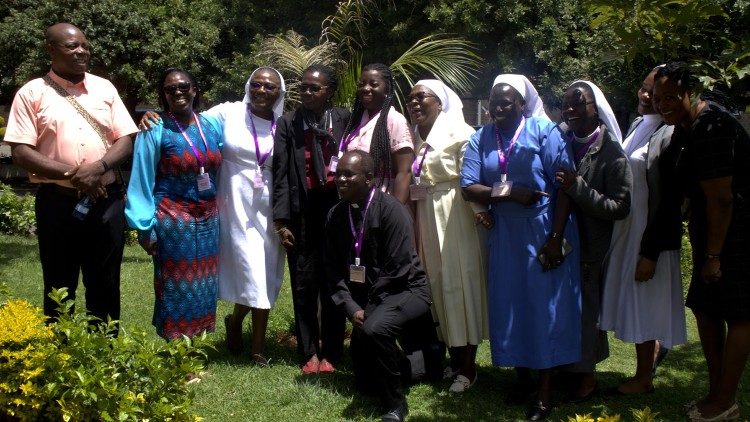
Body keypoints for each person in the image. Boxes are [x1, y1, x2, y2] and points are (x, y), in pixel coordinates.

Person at [139, 67, 286, 363]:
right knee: (236, 273)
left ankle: (232, 337)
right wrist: (146, 112)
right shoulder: (228, 114)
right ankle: (198, 345)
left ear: (280, 93)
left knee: (259, 274)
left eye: (269, 86)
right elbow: (180, 115)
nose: (261, 90)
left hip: (258, 207)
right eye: (255, 83)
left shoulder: (282, 124)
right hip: (228, 204)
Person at [461, 74, 581, 421]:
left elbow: (564, 189)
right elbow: (469, 185)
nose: (499, 105)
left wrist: (556, 239)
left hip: (543, 229)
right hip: (506, 234)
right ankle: (523, 376)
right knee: (511, 305)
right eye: (494, 99)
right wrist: (510, 192)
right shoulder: (481, 137)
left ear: (522, 103)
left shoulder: (545, 132)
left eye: (507, 100)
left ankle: (544, 390)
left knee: (542, 308)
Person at [4, 23, 137, 322]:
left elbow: (125, 139)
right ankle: (61, 356)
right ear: (51, 49)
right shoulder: (31, 93)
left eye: (85, 46)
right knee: (58, 285)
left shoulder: (105, 88)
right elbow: (22, 153)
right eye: (72, 46)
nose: (81, 51)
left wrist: (98, 169)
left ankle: (103, 356)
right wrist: (76, 175)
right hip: (57, 203)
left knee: (105, 282)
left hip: (106, 200)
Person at [652, 62, 750, 421]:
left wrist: (712, 255)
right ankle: (715, 392)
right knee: (705, 308)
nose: (663, 104)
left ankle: (725, 402)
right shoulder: (687, 127)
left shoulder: (712, 127)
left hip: (736, 232)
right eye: (658, 97)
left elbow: (721, 200)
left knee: (739, 314)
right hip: (711, 231)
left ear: (691, 92)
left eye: (671, 97)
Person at [325, 150, 431, 422]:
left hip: (406, 290)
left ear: (369, 178)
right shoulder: (336, 215)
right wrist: (351, 308)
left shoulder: (392, 210)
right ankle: (415, 366)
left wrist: (368, 310)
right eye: (339, 174)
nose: (341, 180)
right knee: (364, 385)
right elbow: (333, 270)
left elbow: (397, 270)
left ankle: (395, 404)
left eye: (349, 174)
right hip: (367, 300)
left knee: (375, 329)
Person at [599, 67, 686, 395]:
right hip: (627, 227)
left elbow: (667, 200)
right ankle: (645, 367)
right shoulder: (639, 124)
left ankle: (643, 377)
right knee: (634, 299)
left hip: (648, 231)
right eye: (644, 88)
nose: (646, 96)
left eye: (656, 92)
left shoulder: (669, 133)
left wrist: (650, 250)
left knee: (645, 299)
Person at [125, 68, 223, 340]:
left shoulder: (211, 125)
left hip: (208, 220)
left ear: (194, 89)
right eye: (170, 89)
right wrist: (144, 227)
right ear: (163, 95)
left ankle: (196, 346)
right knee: (177, 285)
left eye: (183, 87)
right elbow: (141, 178)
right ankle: (177, 349)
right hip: (173, 219)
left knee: (203, 284)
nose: (178, 92)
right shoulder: (154, 128)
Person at [405, 79, 487, 392]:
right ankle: (450, 360)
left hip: (455, 215)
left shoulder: (461, 132)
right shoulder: (415, 134)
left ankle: (468, 367)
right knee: (436, 286)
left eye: (421, 97)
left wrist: (480, 210)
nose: (414, 103)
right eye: (411, 98)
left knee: (459, 285)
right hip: (426, 214)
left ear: (440, 101)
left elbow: (471, 176)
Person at [556, 80, 632, 402]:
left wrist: (579, 189)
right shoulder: (560, 140)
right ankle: (563, 370)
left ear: (594, 107)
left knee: (587, 313)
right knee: (563, 310)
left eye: (578, 103)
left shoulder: (611, 153)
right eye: (566, 104)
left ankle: (586, 378)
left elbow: (620, 206)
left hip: (589, 246)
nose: (570, 109)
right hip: (559, 243)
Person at [273, 64, 350, 374]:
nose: (306, 92)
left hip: (337, 210)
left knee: (335, 281)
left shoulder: (343, 118)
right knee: (304, 285)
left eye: (313, 88)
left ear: (328, 91)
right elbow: (279, 172)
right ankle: (308, 353)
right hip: (302, 212)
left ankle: (332, 350)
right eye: (302, 87)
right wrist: (281, 221)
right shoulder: (288, 123)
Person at [339, 63, 414, 203]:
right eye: (362, 84)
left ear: (387, 90)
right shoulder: (355, 121)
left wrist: (394, 211)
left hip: (383, 199)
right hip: (355, 200)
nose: (366, 88)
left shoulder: (395, 120)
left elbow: (404, 172)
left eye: (373, 84)